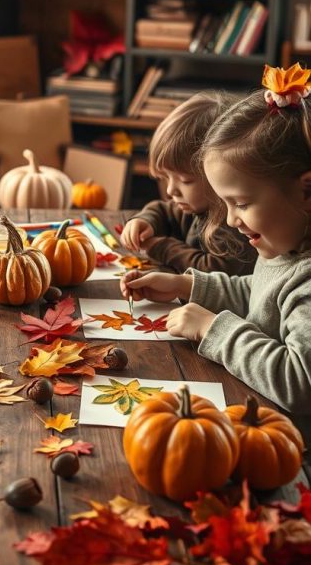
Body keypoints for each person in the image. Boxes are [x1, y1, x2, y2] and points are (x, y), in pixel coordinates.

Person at [121, 65, 311, 416]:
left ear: (307, 190)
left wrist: (214, 328)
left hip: (288, 452)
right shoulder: (283, 244)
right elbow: (258, 296)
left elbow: (300, 383)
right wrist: (187, 285)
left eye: (240, 203)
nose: (228, 219)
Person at [120, 92, 256, 274]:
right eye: (166, 177)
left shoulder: (233, 226)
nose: (170, 190)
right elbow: (166, 211)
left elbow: (215, 272)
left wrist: (164, 248)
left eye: (185, 180)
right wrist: (146, 221)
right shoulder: (196, 205)